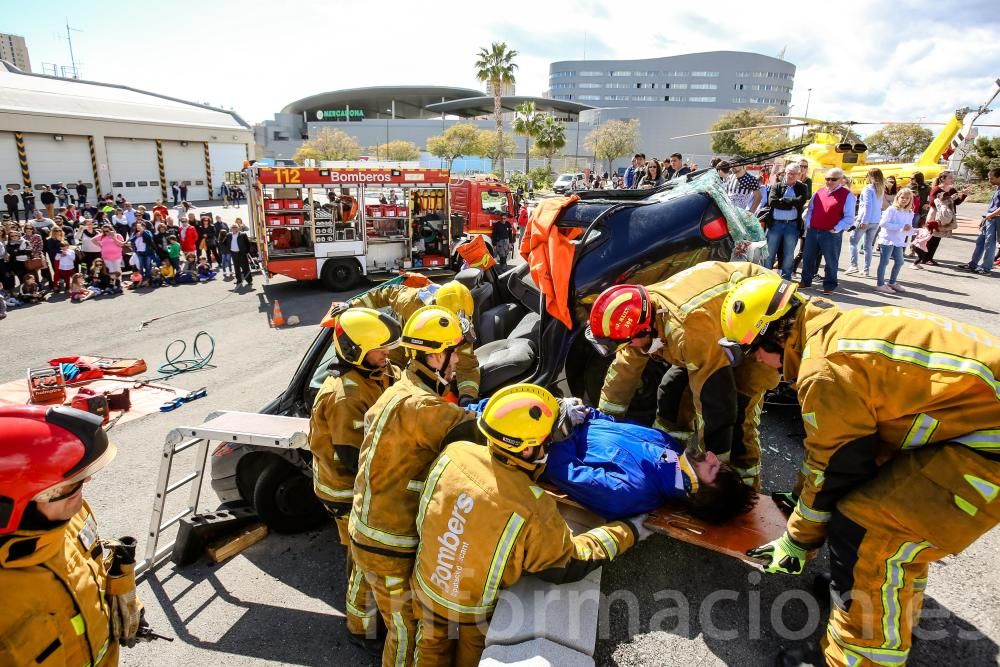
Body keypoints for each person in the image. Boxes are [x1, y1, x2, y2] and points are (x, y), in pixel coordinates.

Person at [720, 274, 1000, 667]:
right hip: (977, 427)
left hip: (989, 442)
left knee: (869, 529)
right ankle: (885, 610)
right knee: (884, 523)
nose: (759, 363)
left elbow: (836, 466)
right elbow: (855, 444)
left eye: (752, 352)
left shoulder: (825, 368)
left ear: (772, 338)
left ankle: (857, 657)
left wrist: (798, 540)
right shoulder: (836, 329)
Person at [411, 384, 645, 666]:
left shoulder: (455, 453)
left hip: (426, 588)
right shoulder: (531, 505)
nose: (551, 445)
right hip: (472, 611)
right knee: (471, 657)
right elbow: (568, 562)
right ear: (524, 451)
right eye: (547, 440)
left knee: (426, 652)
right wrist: (628, 531)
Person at [348, 306, 476, 667]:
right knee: (405, 627)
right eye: (454, 353)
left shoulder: (397, 391)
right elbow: (478, 432)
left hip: (366, 529)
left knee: (379, 599)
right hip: (389, 543)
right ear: (435, 356)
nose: (457, 364)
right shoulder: (423, 407)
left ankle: (360, 628)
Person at [588, 261, 779, 489]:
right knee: (672, 393)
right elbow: (624, 372)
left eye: (627, 342)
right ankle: (672, 459)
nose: (626, 347)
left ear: (646, 329)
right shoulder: (638, 311)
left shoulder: (686, 331)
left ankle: (744, 489)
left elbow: (716, 404)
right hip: (712, 330)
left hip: (762, 327)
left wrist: (715, 470)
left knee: (735, 415)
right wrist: (601, 424)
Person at [0, 406, 149, 666]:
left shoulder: (70, 517)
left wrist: (125, 597)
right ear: (12, 504)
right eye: (70, 483)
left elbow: (91, 567)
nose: (86, 481)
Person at [309, 308, 403, 652]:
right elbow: (355, 459)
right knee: (364, 560)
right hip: (344, 491)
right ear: (355, 351)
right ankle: (361, 628)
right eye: (380, 349)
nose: (387, 354)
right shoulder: (345, 397)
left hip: (361, 483)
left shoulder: (376, 369)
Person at [333, 280, 480, 405]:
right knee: (388, 380)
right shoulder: (411, 301)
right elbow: (385, 293)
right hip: (399, 346)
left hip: (427, 364)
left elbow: (467, 368)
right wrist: (352, 306)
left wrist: (467, 398)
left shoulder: (460, 330)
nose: (452, 329)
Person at [799, 168, 857, 295]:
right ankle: (805, 281)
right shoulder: (819, 192)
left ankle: (829, 285)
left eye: (833, 179)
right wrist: (809, 223)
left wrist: (836, 228)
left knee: (831, 260)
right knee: (808, 257)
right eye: (827, 179)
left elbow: (849, 218)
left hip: (831, 234)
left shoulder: (848, 195)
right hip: (814, 231)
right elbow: (811, 209)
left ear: (841, 180)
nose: (829, 181)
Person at [764, 164, 809, 279]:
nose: (791, 176)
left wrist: (783, 201)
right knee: (769, 253)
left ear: (799, 175)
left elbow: (801, 201)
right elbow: (772, 202)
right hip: (775, 225)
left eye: (795, 174)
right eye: (789, 173)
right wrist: (791, 205)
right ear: (785, 173)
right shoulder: (777, 186)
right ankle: (765, 276)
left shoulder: (802, 187)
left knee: (789, 254)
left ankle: (786, 278)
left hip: (792, 225)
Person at [959, 167, 1000, 276]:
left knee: (989, 243)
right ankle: (973, 264)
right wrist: (986, 217)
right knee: (980, 241)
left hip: (995, 219)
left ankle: (986, 267)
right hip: (989, 218)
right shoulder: (998, 188)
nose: (989, 181)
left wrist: (991, 215)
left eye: (991, 178)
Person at [873, 188, 914, 295]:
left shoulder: (909, 212)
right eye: (902, 197)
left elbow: (908, 227)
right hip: (887, 239)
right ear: (898, 198)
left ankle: (892, 282)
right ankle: (880, 284)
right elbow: (883, 223)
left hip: (899, 241)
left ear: (910, 200)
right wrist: (900, 227)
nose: (904, 200)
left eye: (907, 198)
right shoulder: (891, 209)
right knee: (884, 261)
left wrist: (913, 230)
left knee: (900, 261)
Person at [847, 168, 884, 277]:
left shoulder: (868, 188)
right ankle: (866, 269)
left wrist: (864, 220)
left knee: (853, 241)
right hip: (876, 220)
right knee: (868, 246)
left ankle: (854, 265)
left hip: (866, 220)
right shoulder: (880, 189)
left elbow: (867, 205)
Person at [914, 189, 956, 268]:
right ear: (942, 179)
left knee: (936, 240)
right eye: (949, 178)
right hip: (934, 219)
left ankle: (928, 258)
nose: (951, 180)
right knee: (929, 239)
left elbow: (957, 203)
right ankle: (923, 259)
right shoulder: (936, 189)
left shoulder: (950, 190)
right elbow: (932, 202)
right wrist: (941, 200)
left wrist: (957, 197)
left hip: (941, 221)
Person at [99, 224, 126, 294]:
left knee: (117, 269)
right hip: (106, 257)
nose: (106, 232)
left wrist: (114, 238)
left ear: (111, 229)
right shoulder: (102, 237)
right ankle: (113, 284)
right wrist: (102, 247)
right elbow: (93, 240)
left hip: (116, 256)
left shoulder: (117, 235)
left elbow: (122, 244)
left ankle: (119, 283)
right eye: (104, 231)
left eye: (107, 231)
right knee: (111, 270)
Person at [229, 222, 253, 287]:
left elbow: (248, 244)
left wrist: (246, 252)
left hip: (241, 253)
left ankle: (249, 280)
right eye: (233, 227)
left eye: (235, 227)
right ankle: (239, 280)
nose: (234, 229)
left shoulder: (243, 235)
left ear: (238, 228)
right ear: (231, 229)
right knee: (236, 268)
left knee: (245, 267)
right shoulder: (229, 235)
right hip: (234, 253)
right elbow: (225, 243)